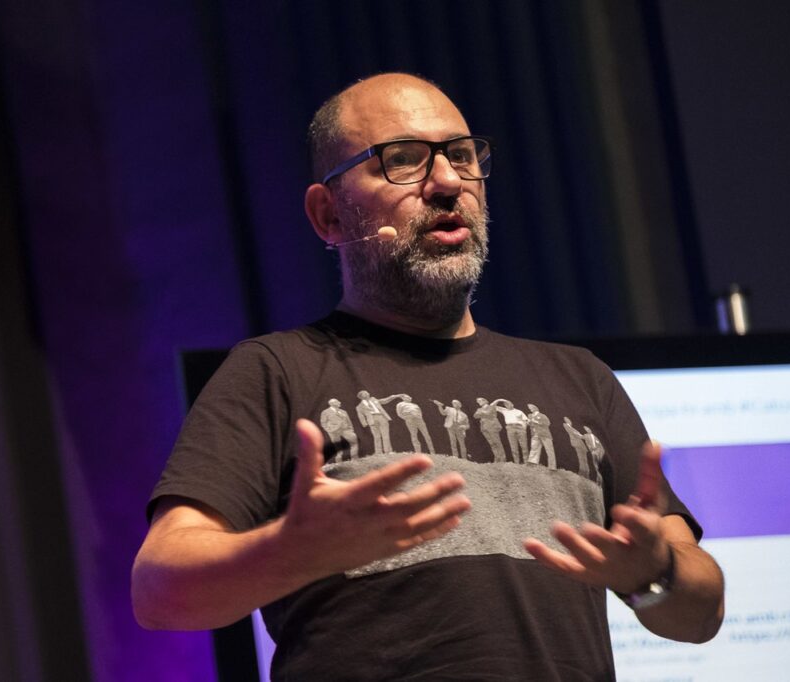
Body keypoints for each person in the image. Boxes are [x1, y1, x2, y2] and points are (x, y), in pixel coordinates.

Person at [132, 73, 724, 679]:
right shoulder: (277, 372)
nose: (447, 182)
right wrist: (288, 551)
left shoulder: (580, 380)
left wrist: (657, 575)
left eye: (462, 156)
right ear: (328, 215)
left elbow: (700, 617)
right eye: (403, 161)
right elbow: (160, 592)